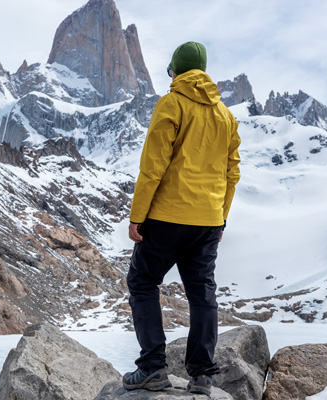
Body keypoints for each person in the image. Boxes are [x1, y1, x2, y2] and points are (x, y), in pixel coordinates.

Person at [121, 41, 241, 395]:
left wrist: (136, 216)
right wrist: (221, 218)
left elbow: (152, 167)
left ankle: (152, 369)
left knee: (143, 282)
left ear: (176, 71)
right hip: (207, 221)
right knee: (202, 292)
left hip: (167, 216)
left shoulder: (171, 103)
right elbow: (232, 173)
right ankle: (202, 375)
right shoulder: (226, 116)